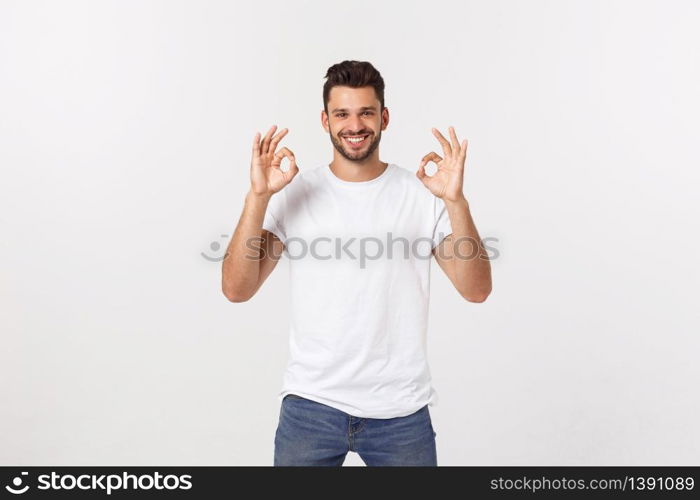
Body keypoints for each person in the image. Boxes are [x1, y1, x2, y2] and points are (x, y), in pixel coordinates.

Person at [221, 60, 492, 466]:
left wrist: (455, 202)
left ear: (383, 117)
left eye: (366, 112)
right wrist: (258, 197)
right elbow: (236, 289)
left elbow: (477, 290)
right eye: (342, 113)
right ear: (325, 120)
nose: (355, 125)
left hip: (400, 412)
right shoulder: (298, 193)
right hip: (311, 407)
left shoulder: (419, 195)